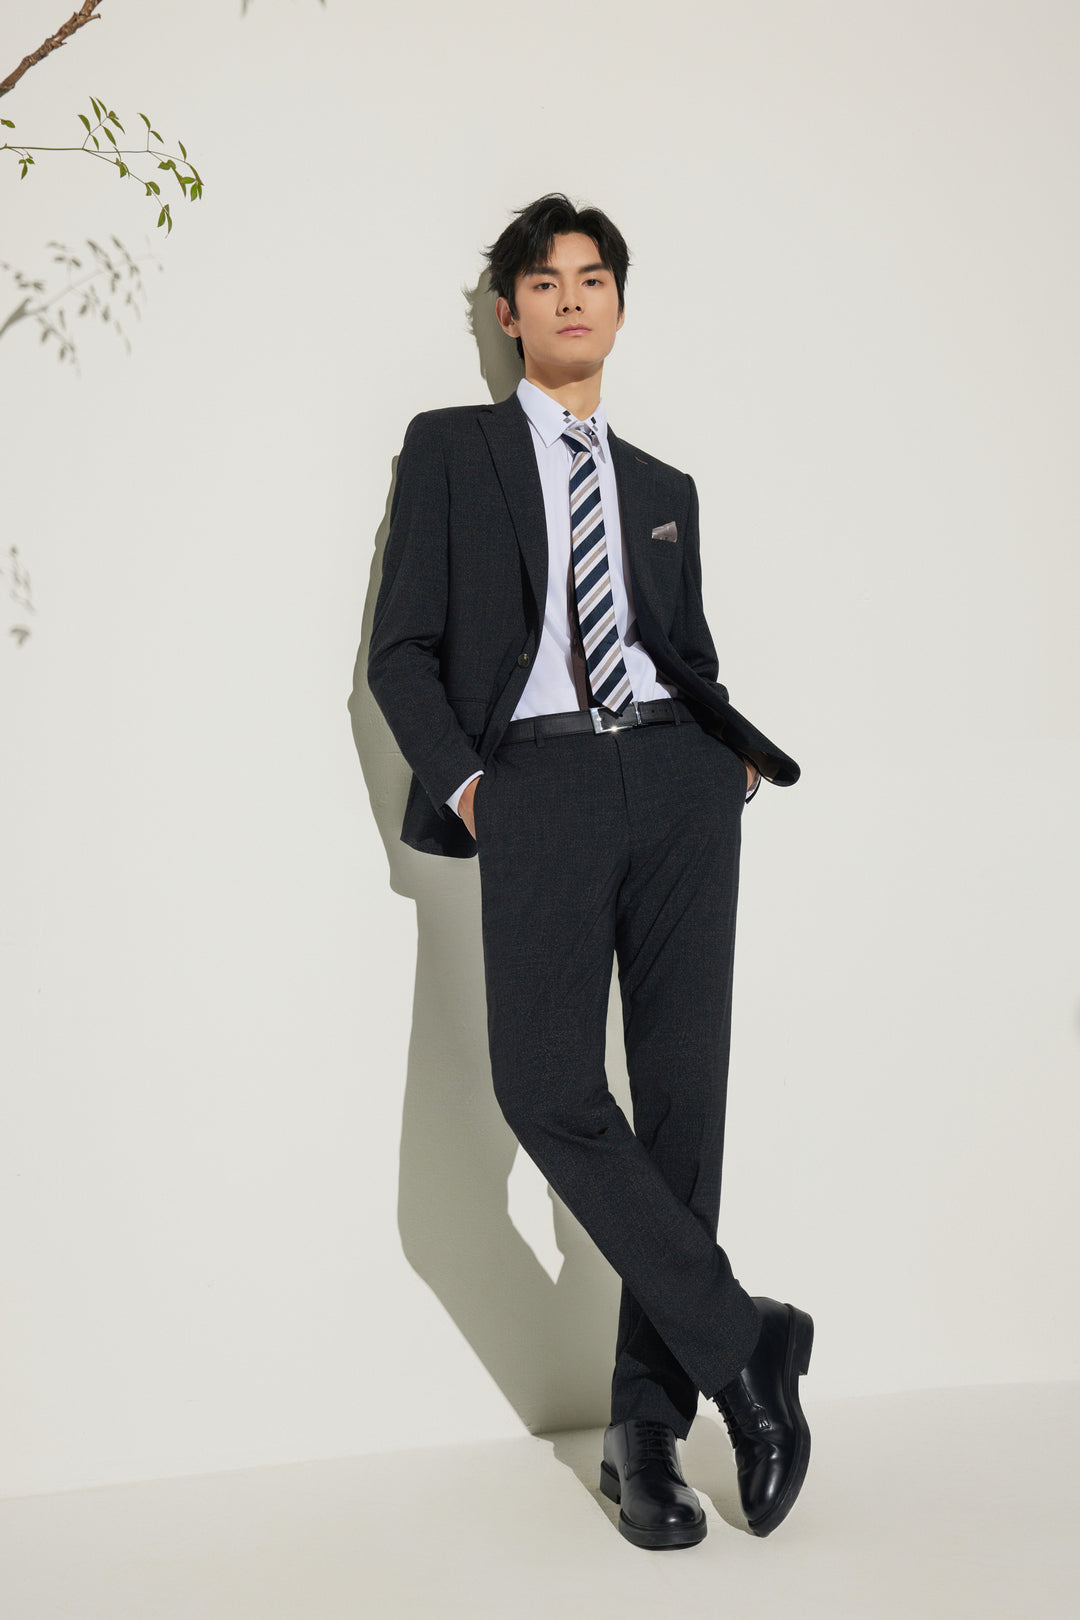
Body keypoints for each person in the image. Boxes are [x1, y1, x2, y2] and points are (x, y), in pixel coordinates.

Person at [367, 193, 812, 1551]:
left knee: (682, 1110)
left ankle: (644, 1435)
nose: (572, 297)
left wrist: (722, 758)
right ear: (509, 312)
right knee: (548, 1086)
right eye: (546, 279)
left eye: (594, 277)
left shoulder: (665, 490)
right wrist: (477, 789)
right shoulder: (452, 450)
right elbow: (401, 652)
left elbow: (689, 654)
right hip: (540, 785)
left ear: (619, 304)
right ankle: (746, 1341)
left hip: (681, 786)